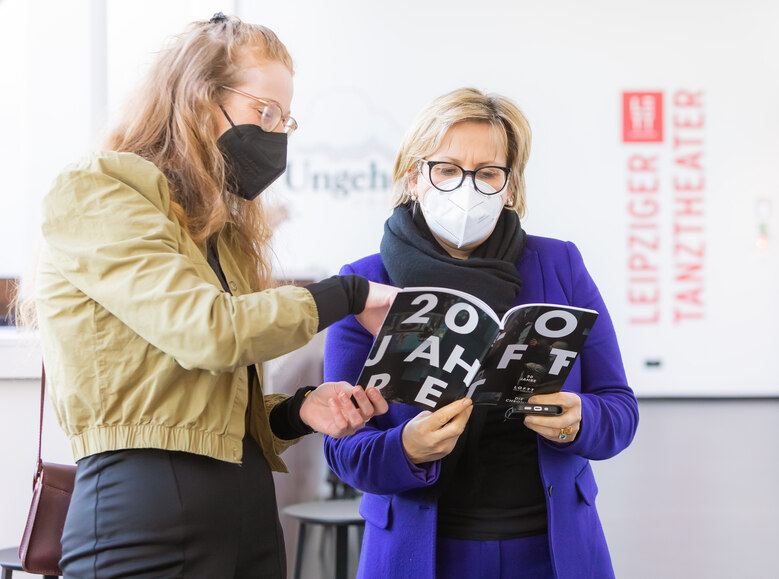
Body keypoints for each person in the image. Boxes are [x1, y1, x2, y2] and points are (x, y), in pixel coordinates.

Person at [33, 14, 398, 578]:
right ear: (199, 99)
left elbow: (213, 403)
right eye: (264, 113)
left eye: (285, 120)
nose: (275, 136)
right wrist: (347, 294)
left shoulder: (219, 230)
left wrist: (299, 410)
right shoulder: (99, 191)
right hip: (144, 517)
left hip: (249, 515)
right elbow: (208, 332)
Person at [323, 88, 639, 578]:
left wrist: (581, 419)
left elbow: (619, 408)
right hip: (421, 551)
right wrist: (404, 448)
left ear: (510, 186)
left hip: (551, 548)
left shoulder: (560, 267)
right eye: (446, 169)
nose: (466, 188)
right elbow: (342, 449)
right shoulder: (365, 285)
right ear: (414, 177)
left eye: (488, 173)